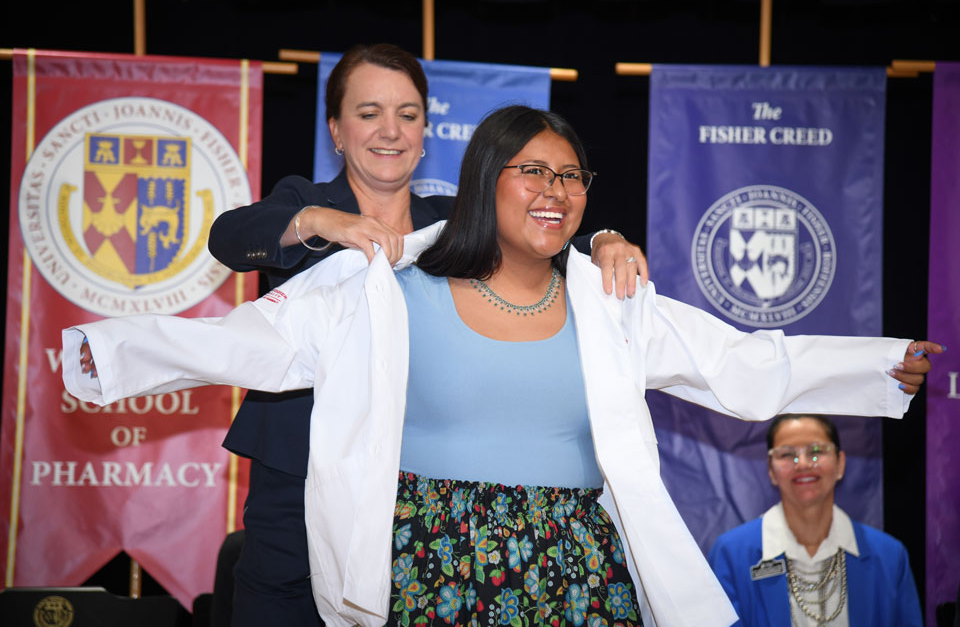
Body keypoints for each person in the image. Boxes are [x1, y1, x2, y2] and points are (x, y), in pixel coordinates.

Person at [63, 105, 941, 627]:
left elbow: (740, 364)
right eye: (533, 172)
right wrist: (109, 352)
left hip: (578, 567)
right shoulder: (388, 288)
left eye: (572, 176)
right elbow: (249, 340)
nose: (556, 191)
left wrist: (878, 366)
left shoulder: (610, 300)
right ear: (487, 179)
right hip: (434, 561)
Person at [206, 44, 647, 625]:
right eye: (369, 113)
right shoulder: (306, 205)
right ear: (336, 130)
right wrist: (318, 221)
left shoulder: (451, 219)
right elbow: (230, 236)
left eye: (408, 114)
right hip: (301, 465)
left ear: (424, 132)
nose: (390, 130)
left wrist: (606, 239)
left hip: (413, 487)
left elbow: (536, 232)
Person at [707, 414, 924, 626]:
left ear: (840, 463)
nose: (802, 464)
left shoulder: (889, 556)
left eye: (816, 451)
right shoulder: (731, 554)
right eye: (787, 454)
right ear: (771, 470)